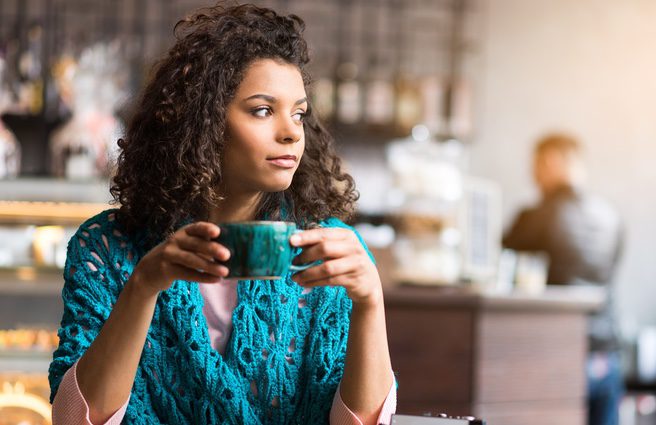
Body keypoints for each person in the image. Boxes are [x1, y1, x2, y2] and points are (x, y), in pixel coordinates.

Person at [47, 4, 396, 424]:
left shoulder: (330, 252)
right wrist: (144, 285)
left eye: (299, 113)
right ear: (203, 121)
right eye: (263, 110)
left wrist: (370, 303)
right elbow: (73, 419)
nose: (290, 132)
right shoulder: (109, 248)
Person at [503, 133, 624, 425]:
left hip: (558, 353)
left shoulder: (536, 216)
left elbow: (502, 265)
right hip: (607, 352)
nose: (532, 175)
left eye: (536, 165)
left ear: (552, 162)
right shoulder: (611, 217)